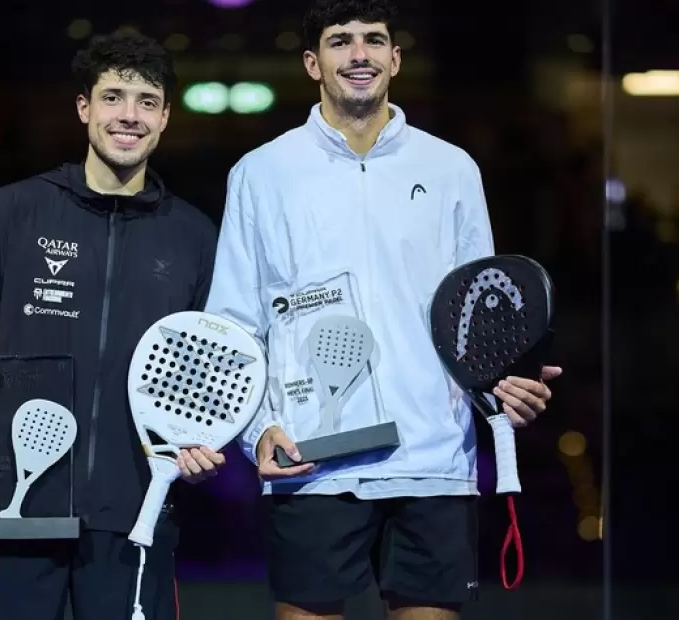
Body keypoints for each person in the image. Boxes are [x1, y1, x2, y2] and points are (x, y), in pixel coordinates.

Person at [203, 1, 563, 619]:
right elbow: (234, 320)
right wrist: (257, 431)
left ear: (395, 58)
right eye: (341, 41)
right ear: (314, 63)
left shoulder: (450, 168)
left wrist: (503, 378)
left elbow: (478, 312)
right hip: (310, 461)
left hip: (433, 459)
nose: (360, 54)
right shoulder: (262, 173)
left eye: (374, 40)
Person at [0, 30, 222, 620]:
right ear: (84, 107)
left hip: (132, 519)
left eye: (146, 101)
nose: (128, 117)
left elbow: (201, 382)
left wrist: (202, 448)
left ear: (165, 117)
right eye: (112, 97)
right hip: (12, 509)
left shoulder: (194, 238)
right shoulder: (10, 214)